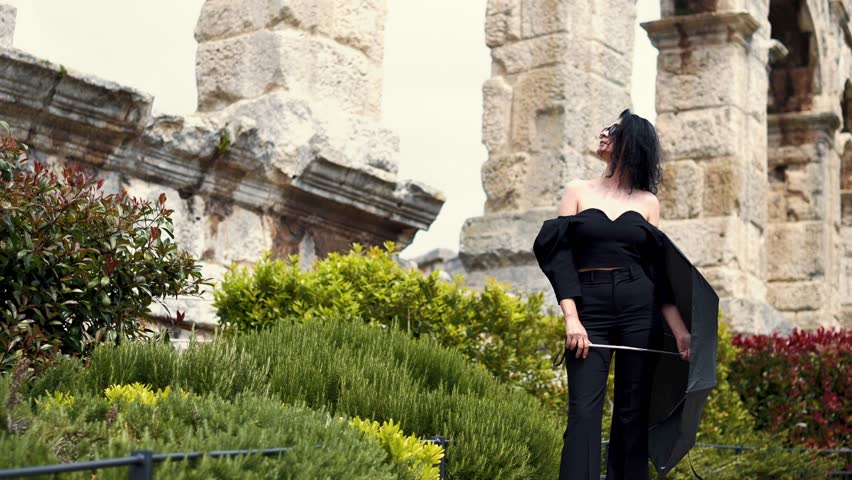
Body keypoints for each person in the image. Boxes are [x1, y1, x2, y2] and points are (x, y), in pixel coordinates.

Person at [532, 109, 691, 480]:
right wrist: (572, 318)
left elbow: (658, 271)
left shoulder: (648, 203)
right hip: (589, 307)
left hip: (640, 308)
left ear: (631, 143)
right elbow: (559, 258)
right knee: (583, 412)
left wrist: (680, 331)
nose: (602, 133)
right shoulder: (577, 191)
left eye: (613, 130)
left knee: (633, 412)